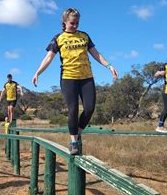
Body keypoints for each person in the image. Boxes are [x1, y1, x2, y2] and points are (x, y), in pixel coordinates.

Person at [32, 8, 118, 155]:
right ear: (64, 22)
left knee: (90, 108)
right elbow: (48, 58)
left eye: (77, 23)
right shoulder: (58, 38)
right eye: (72, 23)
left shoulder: (84, 36)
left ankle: (77, 132)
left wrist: (109, 66)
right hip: (68, 78)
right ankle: (73, 142)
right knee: (72, 110)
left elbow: (96, 54)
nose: (75, 26)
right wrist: (38, 72)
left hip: (86, 78)